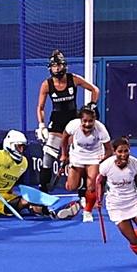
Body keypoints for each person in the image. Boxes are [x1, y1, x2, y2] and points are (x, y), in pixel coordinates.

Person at [0, 130, 81, 220]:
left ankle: (54, 212)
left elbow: (11, 182)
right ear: (10, 145)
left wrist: (10, 192)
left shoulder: (24, 163)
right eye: (19, 146)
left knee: (25, 202)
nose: (21, 150)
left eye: (23, 147)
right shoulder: (0, 156)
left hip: (1, 196)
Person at [36, 50, 100, 191]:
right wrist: (41, 125)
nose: (57, 68)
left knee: (79, 158)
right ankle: (43, 191)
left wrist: (92, 105)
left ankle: (83, 193)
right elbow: (40, 107)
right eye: (54, 66)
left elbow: (95, 90)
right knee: (48, 157)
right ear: (50, 68)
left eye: (59, 65)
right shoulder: (46, 85)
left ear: (64, 66)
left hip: (74, 124)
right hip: (56, 124)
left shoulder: (74, 79)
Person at [101, 136, 137, 269]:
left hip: (133, 202)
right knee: (133, 240)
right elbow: (100, 183)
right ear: (114, 151)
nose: (123, 155)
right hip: (116, 206)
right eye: (120, 151)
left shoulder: (136, 164)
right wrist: (99, 200)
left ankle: (131, 232)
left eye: (126, 151)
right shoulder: (106, 166)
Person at [61, 105, 112, 222]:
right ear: (80, 120)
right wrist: (64, 154)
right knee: (71, 186)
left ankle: (87, 212)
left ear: (95, 120)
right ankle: (83, 194)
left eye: (91, 121)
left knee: (92, 186)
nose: (88, 124)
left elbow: (109, 150)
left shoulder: (101, 129)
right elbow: (64, 138)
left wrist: (103, 161)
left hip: (94, 157)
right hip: (77, 156)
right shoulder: (73, 125)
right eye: (85, 121)